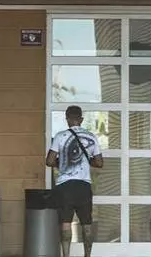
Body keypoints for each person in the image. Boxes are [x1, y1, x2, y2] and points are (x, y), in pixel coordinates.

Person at [46, 106, 104, 257]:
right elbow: (99, 163)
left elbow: (49, 161)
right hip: (83, 185)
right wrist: (87, 160)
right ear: (81, 119)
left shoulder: (60, 136)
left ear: (67, 119)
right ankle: (87, 255)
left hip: (65, 186)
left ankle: (66, 255)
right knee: (87, 223)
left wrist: (62, 163)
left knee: (65, 222)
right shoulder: (91, 137)